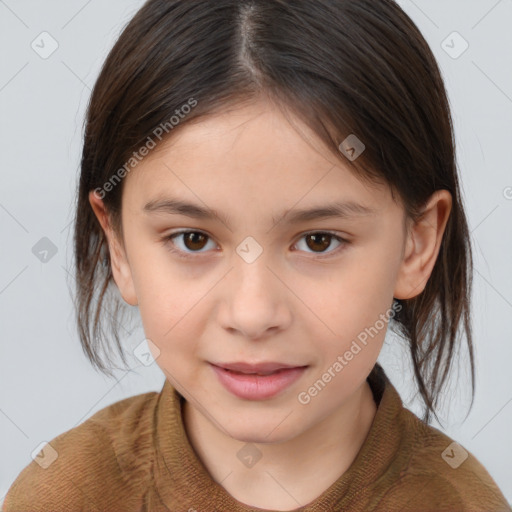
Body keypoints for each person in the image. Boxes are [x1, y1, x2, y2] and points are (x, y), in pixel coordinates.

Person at [3, 0, 511, 510]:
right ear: (120, 247)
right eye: (193, 240)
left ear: (416, 245)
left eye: (319, 241)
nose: (252, 314)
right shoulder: (66, 493)